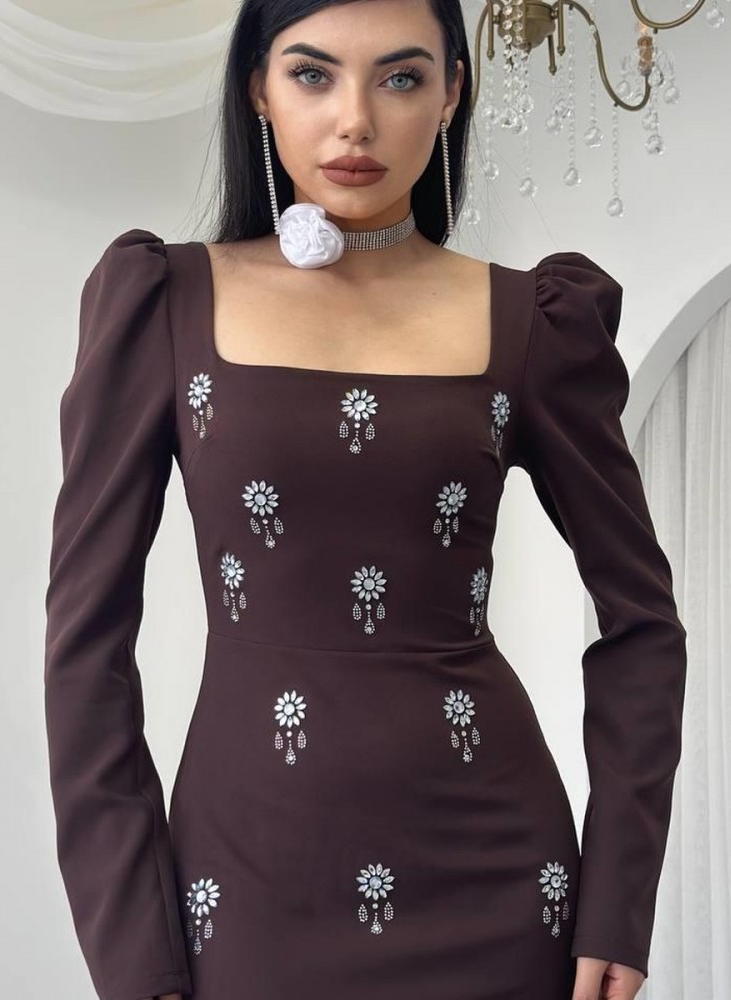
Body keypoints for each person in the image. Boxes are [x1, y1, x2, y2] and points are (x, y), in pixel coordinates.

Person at [42, 0, 688, 997]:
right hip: (243, 888)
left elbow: (643, 621)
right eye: (312, 74)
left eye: (400, 78)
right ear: (258, 90)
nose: (355, 120)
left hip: (500, 886)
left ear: (452, 92)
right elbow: (84, 647)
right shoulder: (163, 303)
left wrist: (619, 896)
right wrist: (134, 951)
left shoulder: (534, 322)